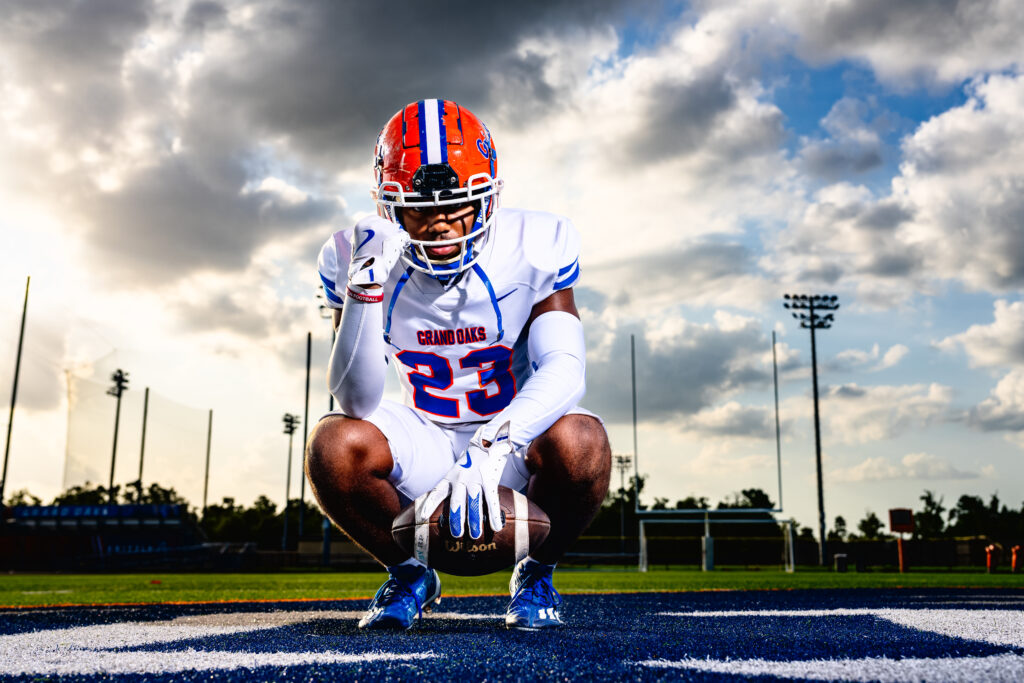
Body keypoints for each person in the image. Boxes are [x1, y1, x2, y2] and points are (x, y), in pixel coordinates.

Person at [306, 99, 611, 631]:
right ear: (389, 208)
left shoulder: (534, 243)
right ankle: (408, 574)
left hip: (513, 438)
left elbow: (565, 368)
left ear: (488, 199)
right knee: (333, 444)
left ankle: (536, 574)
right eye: (420, 209)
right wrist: (364, 287)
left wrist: (493, 443)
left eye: (458, 205)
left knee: (582, 441)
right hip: (424, 435)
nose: (441, 224)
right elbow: (355, 400)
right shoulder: (351, 253)